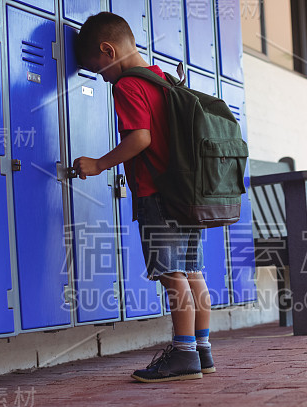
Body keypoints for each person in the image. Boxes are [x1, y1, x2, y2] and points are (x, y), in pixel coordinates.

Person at [72, 12, 214, 383]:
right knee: (192, 272)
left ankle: (183, 355)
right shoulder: (163, 79)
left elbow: (141, 139)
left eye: (98, 69)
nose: (102, 77)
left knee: (171, 275)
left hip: (157, 195)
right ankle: (202, 350)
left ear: (108, 50)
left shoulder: (128, 86)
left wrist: (100, 163)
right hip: (186, 195)